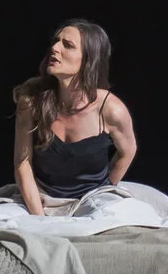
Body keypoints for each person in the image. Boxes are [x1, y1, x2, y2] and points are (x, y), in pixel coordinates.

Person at [10, 19, 138, 216]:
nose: (55, 48)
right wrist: (40, 217)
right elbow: (22, 162)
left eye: (68, 45)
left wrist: (105, 189)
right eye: (56, 41)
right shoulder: (32, 101)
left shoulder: (111, 109)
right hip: (43, 199)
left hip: (93, 201)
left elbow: (128, 151)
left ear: (88, 59)